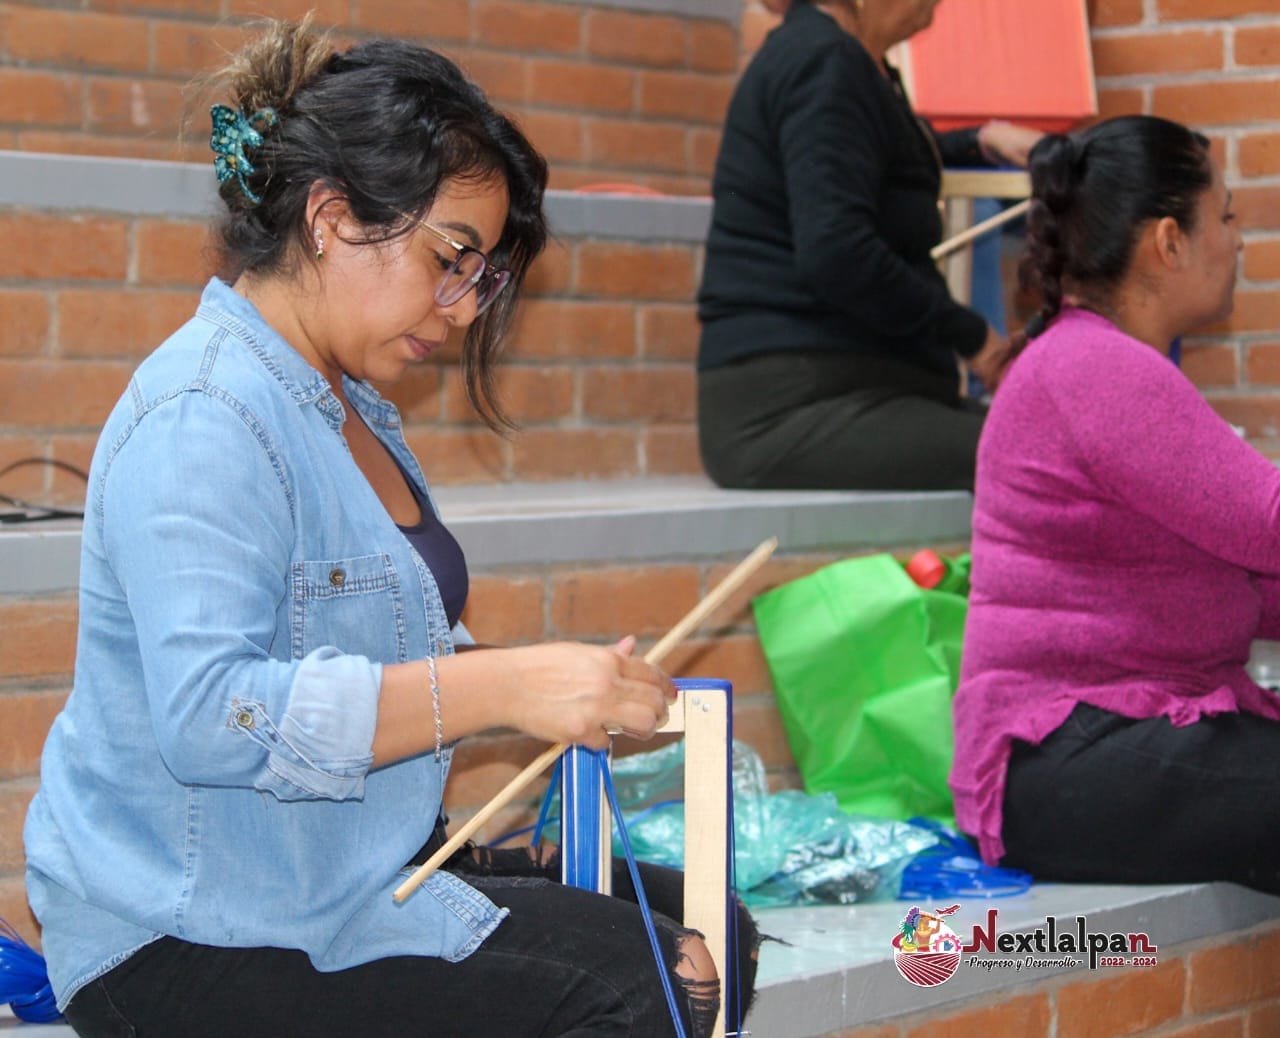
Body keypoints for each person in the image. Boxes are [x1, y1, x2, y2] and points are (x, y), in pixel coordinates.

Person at [23, 20, 758, 1037]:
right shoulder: (203, 412)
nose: (460, 309)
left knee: (713, 922)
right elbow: (211, 714)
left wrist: (555, 681)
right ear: (330, 217)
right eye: (449, 258)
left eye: (481, 276)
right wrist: (502, 686)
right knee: (647, 978)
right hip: (191, 929)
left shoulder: (351, 406)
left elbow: (371, 655)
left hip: (330, 870)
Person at [950, 114, 1280, 893]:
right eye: (1224, 217)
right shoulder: (1094, 368)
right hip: (1064, 753)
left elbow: (1244, 574)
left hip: (1110, 737)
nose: (1237, 241)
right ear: (1169, 240)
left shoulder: (1102, 362)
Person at [696, 0, 1042, 492]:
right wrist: (973, 338)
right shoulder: (824, 61)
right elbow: (838, 252)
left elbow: (867, 151)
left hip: (849, 387)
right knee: (1043, 456)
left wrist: (980, 140)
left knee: (1048, 441)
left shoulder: (834, 57)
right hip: (794, 406)